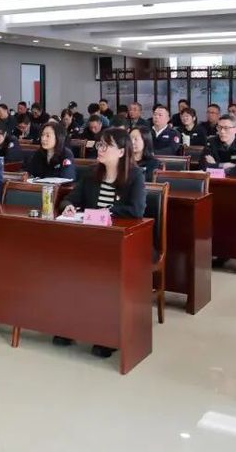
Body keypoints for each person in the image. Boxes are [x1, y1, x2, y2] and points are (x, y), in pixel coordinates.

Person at [58, 127, 146, 359]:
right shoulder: (91, 174)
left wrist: (106, 211)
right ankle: (70, 325)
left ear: (121, 152)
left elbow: (136, 210)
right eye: (99, 144)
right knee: (67, 266)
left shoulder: (135, 176)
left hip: (121, 241)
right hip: (90, 239)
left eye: (107, 146)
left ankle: (107, 334)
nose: (101, 149)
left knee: (104, 273)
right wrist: (68, 206)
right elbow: (70, 198)